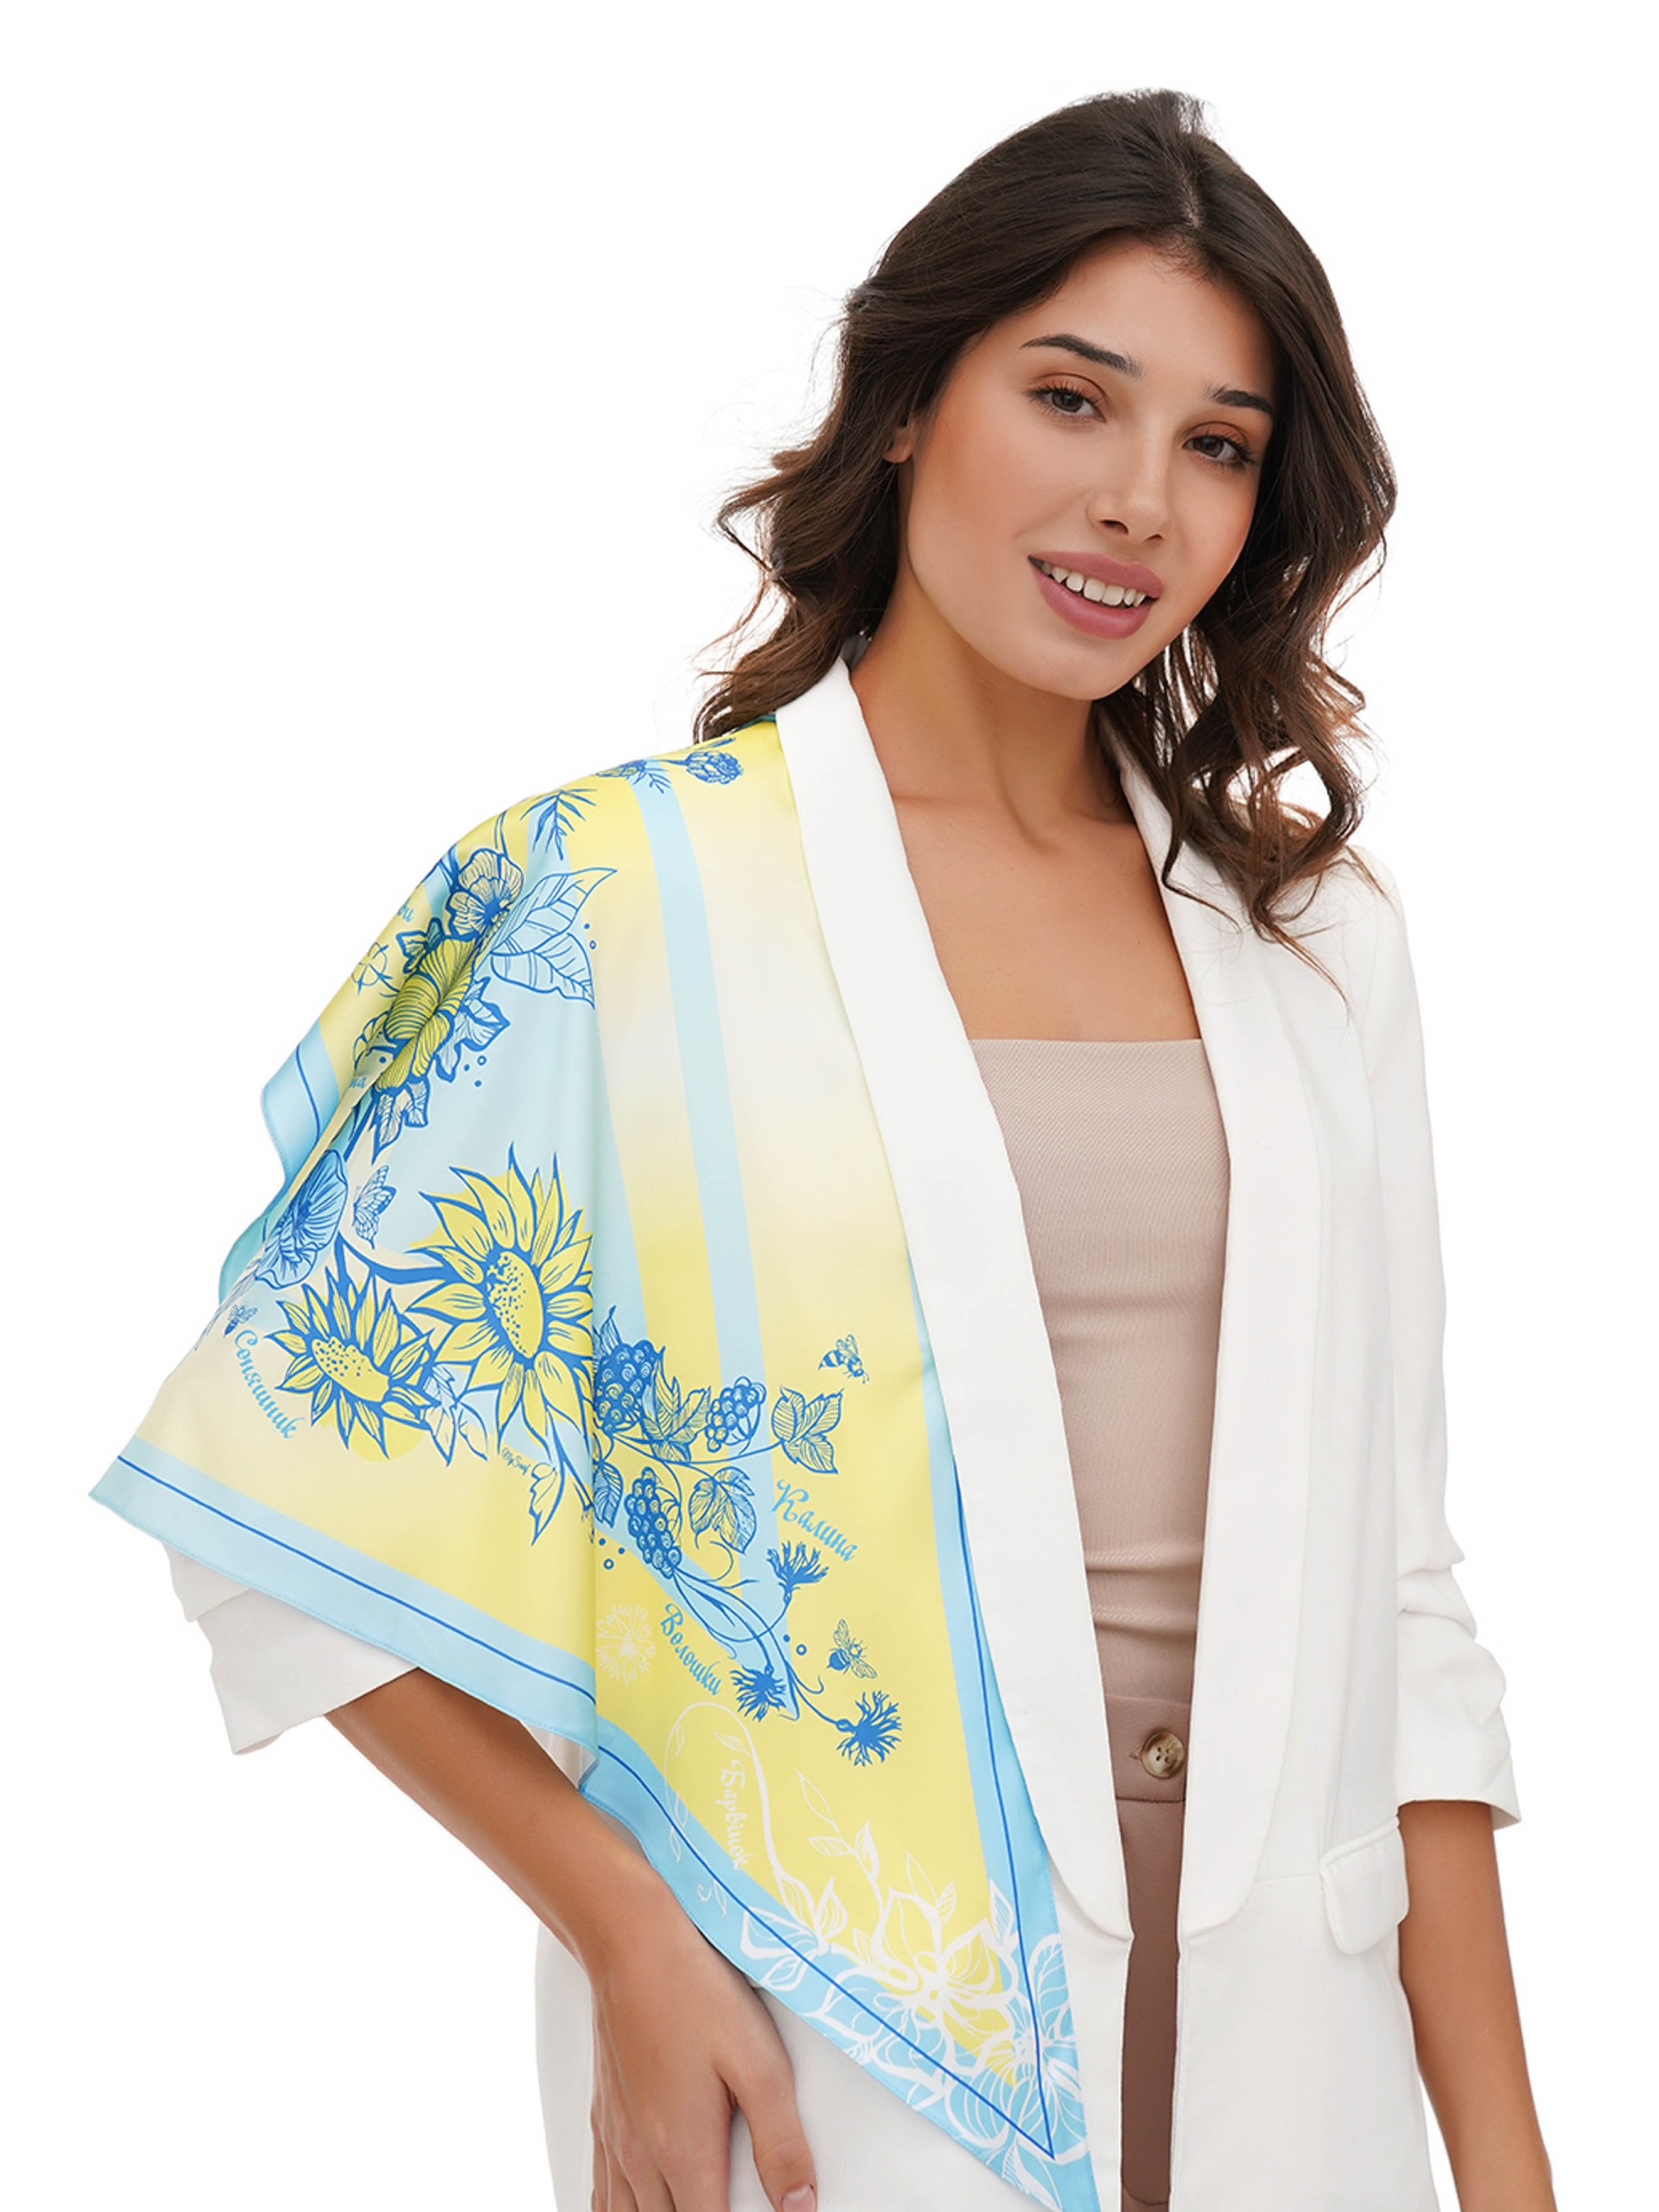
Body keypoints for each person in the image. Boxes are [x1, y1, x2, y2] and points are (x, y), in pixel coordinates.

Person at [92, 88, 1556, 2212]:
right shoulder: (623, 904)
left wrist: (1509, 2173)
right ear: (904, 405)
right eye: (1072, 397)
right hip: (829, 2047)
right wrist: (619, 1925)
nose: (1137, 499)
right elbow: (277, 1472)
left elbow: (1407, 1608)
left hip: (1292, 2071)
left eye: (1219, 444)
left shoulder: (1315, 941)